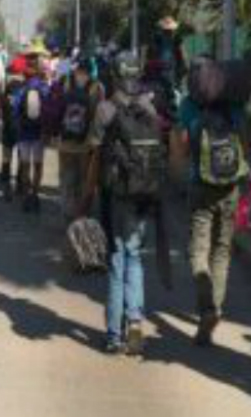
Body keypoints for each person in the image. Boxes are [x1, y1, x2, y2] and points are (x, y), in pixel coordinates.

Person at [87, 53, 164, 355]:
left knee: (117, 259)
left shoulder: (106, 109)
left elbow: (93, 152)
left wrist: (87, 193)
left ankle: (113, 335)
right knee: (135, 256)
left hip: (117, 194)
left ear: (115, 75)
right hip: (144, 193)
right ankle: (135, 320)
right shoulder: (149, 106)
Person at [178, 63, 249, 347]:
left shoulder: (189, 107)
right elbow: (247, 144)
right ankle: (215, 309)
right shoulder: (235, 109)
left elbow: (183, 149)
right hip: (230, 186)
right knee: (221, 250)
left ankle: (206, 307)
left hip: (200, 186)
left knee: (198, 250)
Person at [55, 58, 102, 220]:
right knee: (84, 179)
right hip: (86, 143)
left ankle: (67, 211)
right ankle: (82, 214)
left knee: (67, 177)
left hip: (65, 141)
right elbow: (99, 116)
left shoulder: (65, 83)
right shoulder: (97, 87)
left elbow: (57, 110)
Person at [13, 51, 51, 213]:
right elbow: (49, 110)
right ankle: (35, 195)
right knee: (38, 165)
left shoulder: (21, 89)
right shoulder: (44, 88)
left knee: (24, 165)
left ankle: (26, 196)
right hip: (39, 133)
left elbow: (15, 111)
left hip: (23, 133)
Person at [0, 55, 27, 191]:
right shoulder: (25, 87)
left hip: (8, 125)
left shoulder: (7, 87)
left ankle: (5, 181)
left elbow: (2, 107)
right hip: (21, 126)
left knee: (6, 154)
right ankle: (21, 183)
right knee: (22, 154)